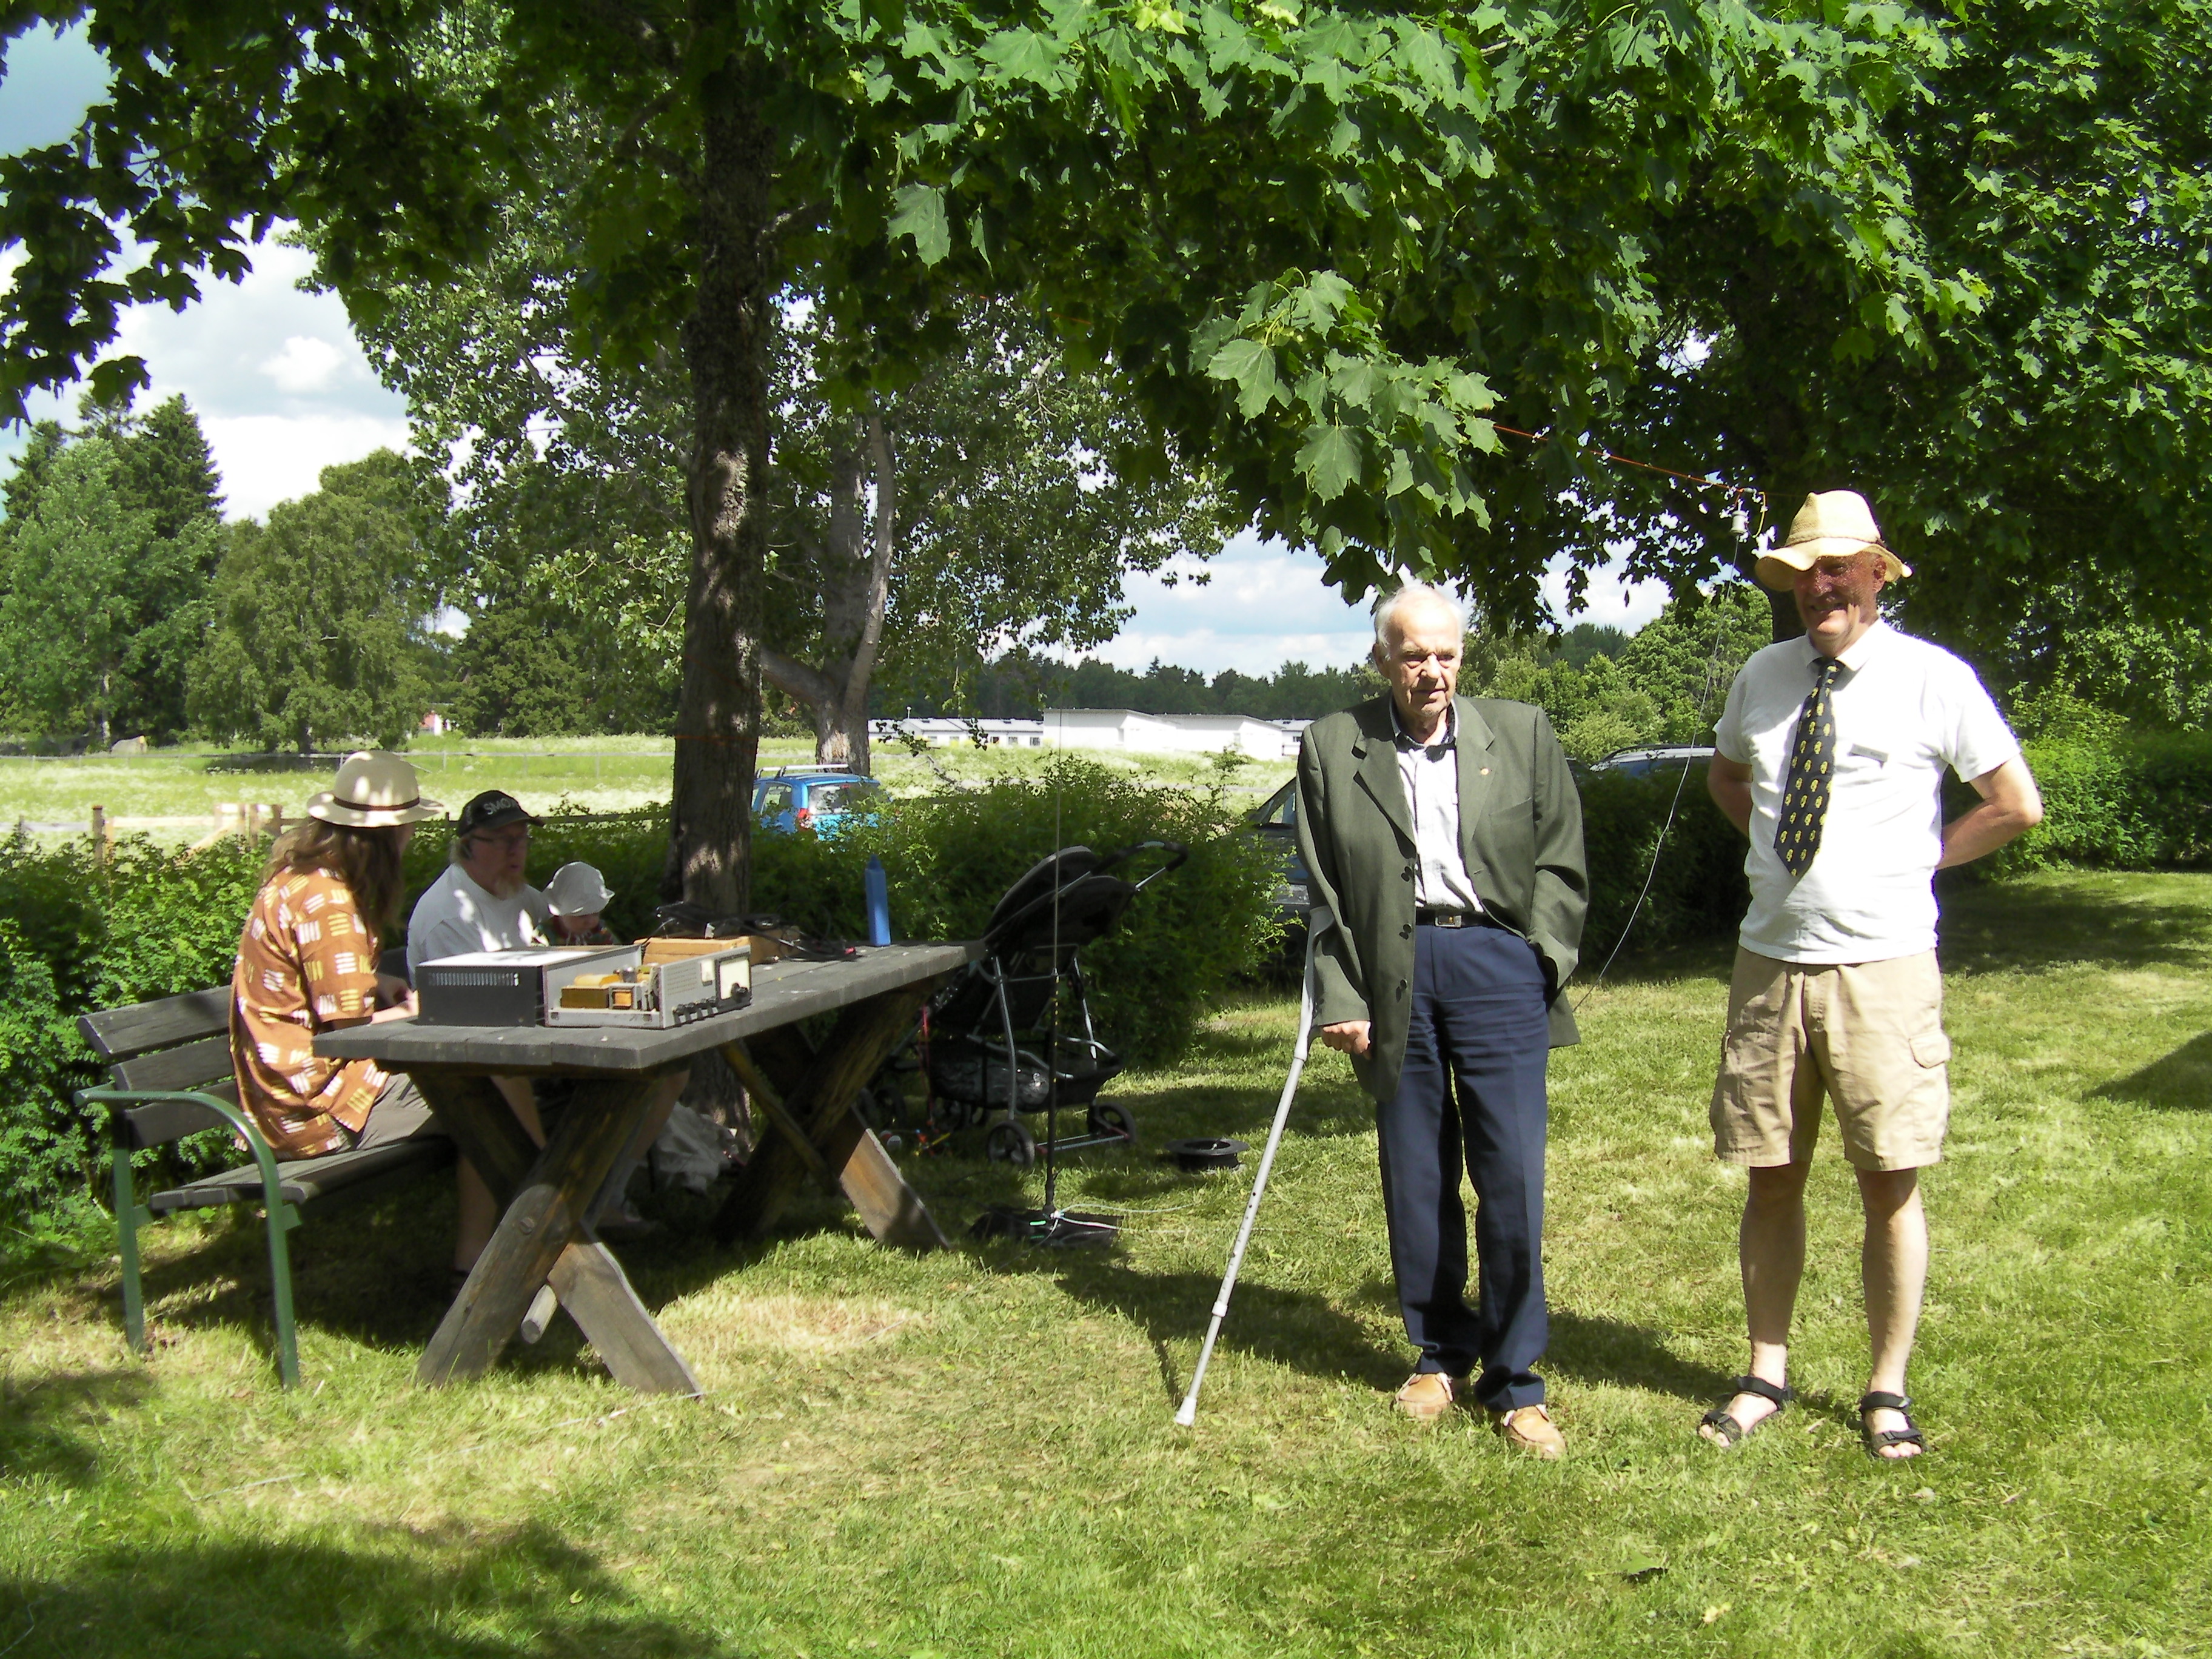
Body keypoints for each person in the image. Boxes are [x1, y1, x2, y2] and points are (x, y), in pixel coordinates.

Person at [1698, 491, 2043, 1460]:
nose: (1823, 584)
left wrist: (1918, 863)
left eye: (1841, 567)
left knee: (1888, 1181)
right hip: (1770, 963)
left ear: (1879, 573)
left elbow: (2016, 803)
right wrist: (1771, 854)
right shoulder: (1762, 679)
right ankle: (1765, 1371)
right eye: (1807, 570)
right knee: (1771, 1178)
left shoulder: (1934, 679)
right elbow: (1730, 779)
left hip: (1884, 966)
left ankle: (1886, 1389)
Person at [1295, 583, 1588, 1457]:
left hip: (1496, 964)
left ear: (1464, 656)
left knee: (1512, 1178)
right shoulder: (1334, 743)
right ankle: (1436, 1355)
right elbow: (1323, 893)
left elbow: (1561, 861)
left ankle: (1518, 1379)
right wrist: (1341, 996)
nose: (1432, 672)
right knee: (1416, 1172)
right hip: (1395, 971)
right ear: (1381, 659)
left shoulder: (1523, 733)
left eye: (1447, 655)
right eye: (1414, 655)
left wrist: (1540, 958)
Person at [228, 751, 449, 1201]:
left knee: (491, 1095)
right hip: (314, 1111)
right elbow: (348, 1036)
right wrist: (416, 1012)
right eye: (409, 827)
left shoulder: (301, 880)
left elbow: (315, 991)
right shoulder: (330, 903)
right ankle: (515, 1247)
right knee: (486, 1094)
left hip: (286, 1096)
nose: (411, 837)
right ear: (388, 835)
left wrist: (378, 983)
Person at [404, 790, 550, 978]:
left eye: (521, 838)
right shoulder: (450, 915)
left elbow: (566, 927)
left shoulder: (513, 890)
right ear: (467, 847)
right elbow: (476, 999)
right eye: (502, 840)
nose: (516, 851)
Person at [543, 862, 619, 946]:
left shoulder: (600, 932)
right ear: (560, 911)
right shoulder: (544, 936)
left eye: (596, 914)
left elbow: (618, 954)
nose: (590, 921)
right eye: (582, 916)